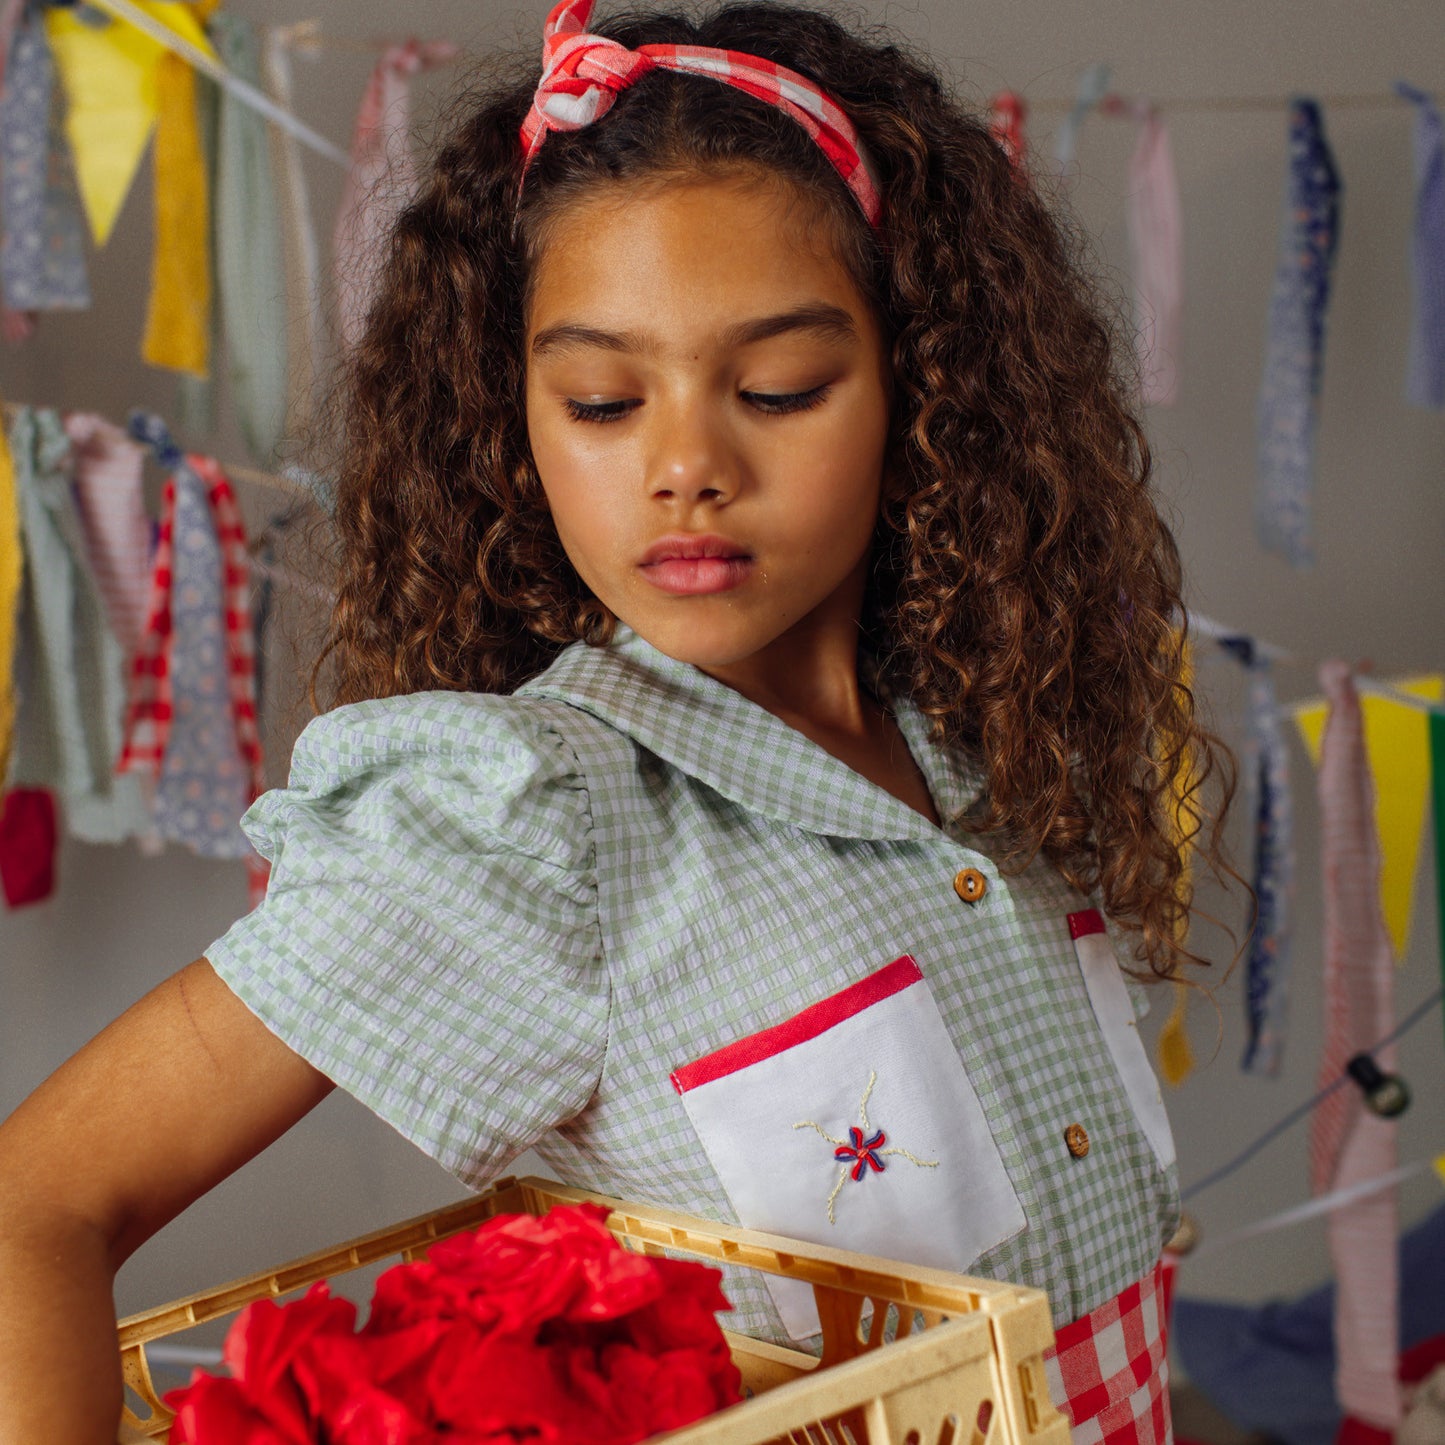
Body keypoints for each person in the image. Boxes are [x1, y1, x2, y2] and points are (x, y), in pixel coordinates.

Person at [0, 2, 1235, 1440]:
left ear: (924, 385)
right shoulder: (536, 818)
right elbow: (41, 1199)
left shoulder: (981, 736)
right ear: (509, 414)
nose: (685, 467)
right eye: (599, 400)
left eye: (777, 387)